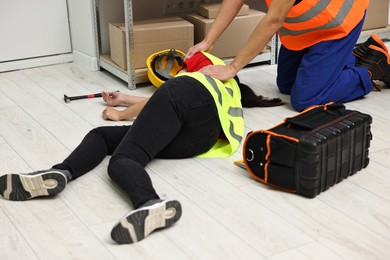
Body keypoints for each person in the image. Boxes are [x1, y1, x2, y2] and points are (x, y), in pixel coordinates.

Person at [0, 51, 283, 245]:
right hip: (201, 138)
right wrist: (124, 98)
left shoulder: (201, 61)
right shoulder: (228, 89)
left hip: (181, 102)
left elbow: (168, 97)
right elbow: (164, 107)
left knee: (123, 157)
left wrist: (122, 114)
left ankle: (148, 202)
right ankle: (61, 174)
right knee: (106, 137)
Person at [186, 0, 390, 111]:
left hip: (335, 18)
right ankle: (354, 56)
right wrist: (208, 41)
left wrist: (232, 68)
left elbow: (273, 20)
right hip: (306, 23)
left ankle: (373, 67)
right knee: (286, 85)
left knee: (306, 99)